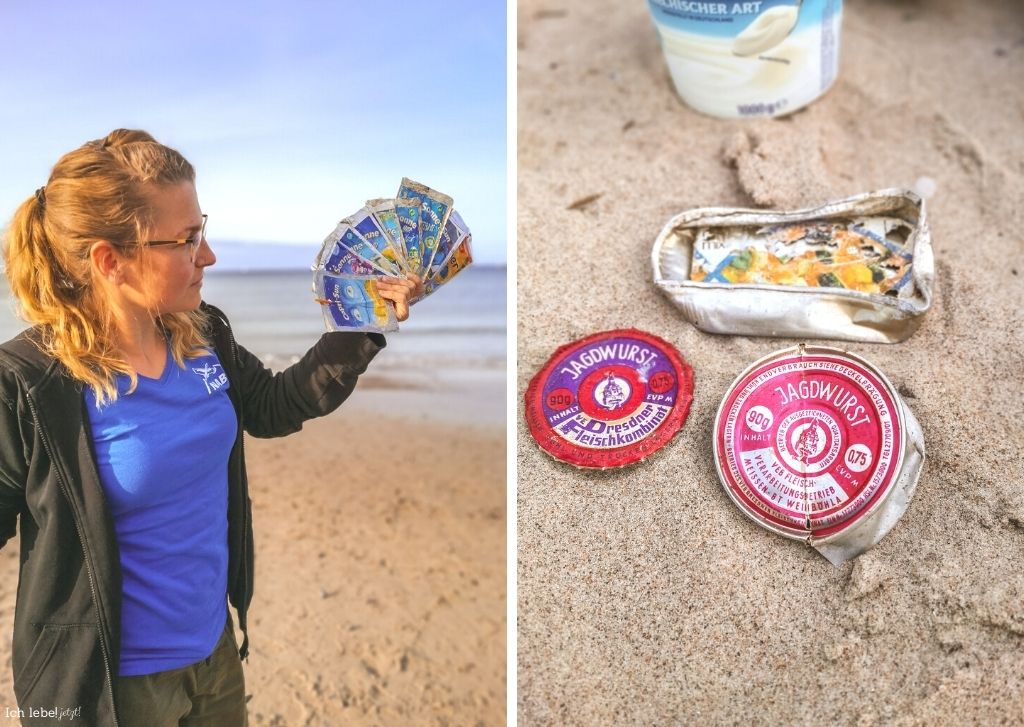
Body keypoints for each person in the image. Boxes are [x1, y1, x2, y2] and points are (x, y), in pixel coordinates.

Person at [0, 129, 421, 726]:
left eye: (204, 228)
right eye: (187, 239)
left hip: (215, 653)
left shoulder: (203, 334)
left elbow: (275, 405)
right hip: (107, 687)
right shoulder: (28, 384)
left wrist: (363, 320)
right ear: (108, 259)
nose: (209, 255)